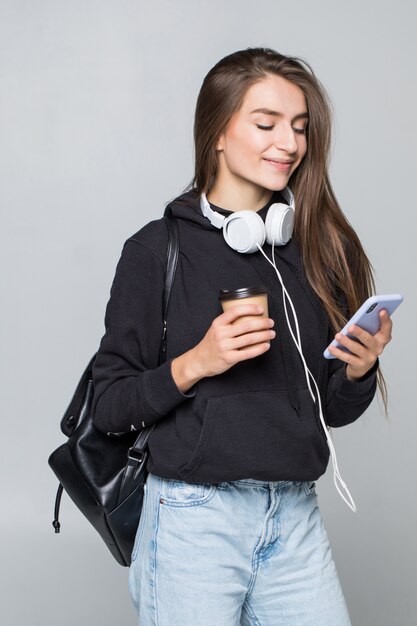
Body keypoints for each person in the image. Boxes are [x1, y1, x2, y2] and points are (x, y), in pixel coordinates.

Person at [91, 48, 393, 626]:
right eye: (267, 123)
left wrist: (357, 370)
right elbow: (108, 405)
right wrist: (197, 362)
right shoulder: (156, 251)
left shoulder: (314, 250)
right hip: (193, 521)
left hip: (295, 514)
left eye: (300, 128)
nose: (290, 143)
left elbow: (328, 408)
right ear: (217, 133)